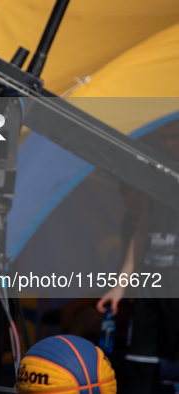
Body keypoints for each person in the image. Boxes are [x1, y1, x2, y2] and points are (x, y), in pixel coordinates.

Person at [97, 119, 179, 393]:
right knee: (138, 369)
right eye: (164, 138)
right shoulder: (155, 176)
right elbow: (141, 233)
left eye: (174, 137)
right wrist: (119, 286)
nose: (169, 144)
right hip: (151, 286)